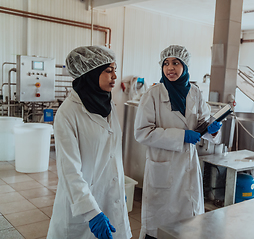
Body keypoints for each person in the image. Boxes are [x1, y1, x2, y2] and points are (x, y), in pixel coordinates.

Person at [134, 45, 222, 239]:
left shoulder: (195, 92)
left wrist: (211, 130)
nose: (170, 68)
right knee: (159, 227)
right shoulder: (152, 95)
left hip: (187, 165)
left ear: (185, 66)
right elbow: (142, 133)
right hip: (162, 167)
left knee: (187, 226)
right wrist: (181, 136)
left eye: (176, 63)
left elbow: (201, 122)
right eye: (166, 63)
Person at [47, 45, 131, 239]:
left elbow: (111, 154)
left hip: (111, 199)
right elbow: (69, 170)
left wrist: (117, 186)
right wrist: (92, 213)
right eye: (108, 71)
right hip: (82, 209)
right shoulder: (68, 114)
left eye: (115, 70)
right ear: (90, 73)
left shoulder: (107, 104)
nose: (115, 76)